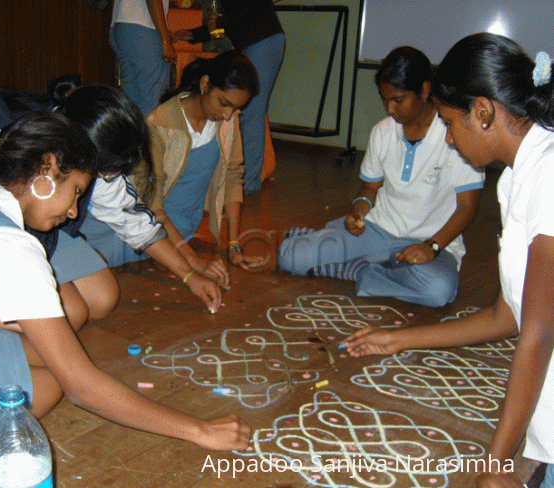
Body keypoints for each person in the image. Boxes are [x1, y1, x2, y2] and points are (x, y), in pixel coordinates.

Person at [0, 111, 250, 466]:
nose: (73, 212)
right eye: (77, 192)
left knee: (42, 356)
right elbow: (83, 389)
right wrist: (200, 430)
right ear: (48, 169)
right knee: (47, 388)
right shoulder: (11, 246)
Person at [342, 33, 554, 488]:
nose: (450, 139)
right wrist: (398, 340)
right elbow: (507, 315)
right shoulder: (517, 176)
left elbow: (537, 336)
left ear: (483, 112)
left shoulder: (550, 175)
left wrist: (496, 466)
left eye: (450, 123)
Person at [0, 80, 223, 317]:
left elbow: (131, 218)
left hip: (41, 227)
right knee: (71, 312)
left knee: (102, 298)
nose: (75, 211)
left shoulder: (80, 141)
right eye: (98, 176)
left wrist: (188, 274)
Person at [277, 46, 485, 307]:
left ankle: (357, 269)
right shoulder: (382, 132)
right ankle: (350, 255)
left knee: (439, 291)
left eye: (398, 100)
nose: (389, 109)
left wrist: (431, 247)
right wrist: (358, 210)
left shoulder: (455, 135)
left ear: (424, 89)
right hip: (378, 231)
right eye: (384, 99)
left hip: (432, 242)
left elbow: (467, 207)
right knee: (290, 256)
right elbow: (370, 189)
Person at [81, 51, 264, 280]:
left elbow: (232, 177)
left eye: (236, 109)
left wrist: (233, 245)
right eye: (224, 104)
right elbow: (151, 202)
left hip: (177, 226)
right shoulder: (159, 124)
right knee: (89, 253)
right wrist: (191, 258)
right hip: (149, 217)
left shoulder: (228, 121)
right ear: (205, 83)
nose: (228, 115)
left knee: (94, 264)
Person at [174, 0, 285, 195]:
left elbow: (253, 6)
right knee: (247, 111)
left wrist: (220, 23)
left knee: (251, 111)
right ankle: (243, 180)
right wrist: (196, 34)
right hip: (253, 42)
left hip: (263, 39)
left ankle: (248, 183)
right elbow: (225, 21)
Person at [109, 0, 175, 116]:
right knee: (152, 99)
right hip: (144, 26)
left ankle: (134, 133)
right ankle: (147, 134)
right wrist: (165, 39)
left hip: (121, 24)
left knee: (132, 99)